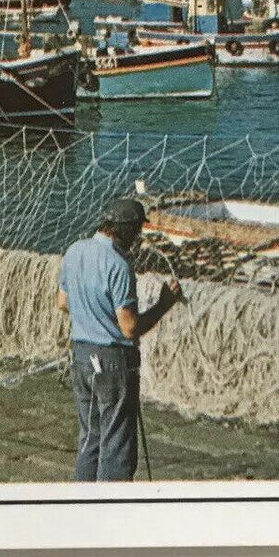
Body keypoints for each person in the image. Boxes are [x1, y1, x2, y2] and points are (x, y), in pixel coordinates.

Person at [57, 197, 182, 482]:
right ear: (126, 230)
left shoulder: (75, 251)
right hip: (112, 362)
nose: (137, 239)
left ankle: (83, 507)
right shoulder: (118, 265)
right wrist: (164, 303)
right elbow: (129, 328)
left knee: (90, 439)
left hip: (81, 356)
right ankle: (112, 512)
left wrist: (92, 313)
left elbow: (63, 303)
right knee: (117, 447)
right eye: (137, 231)